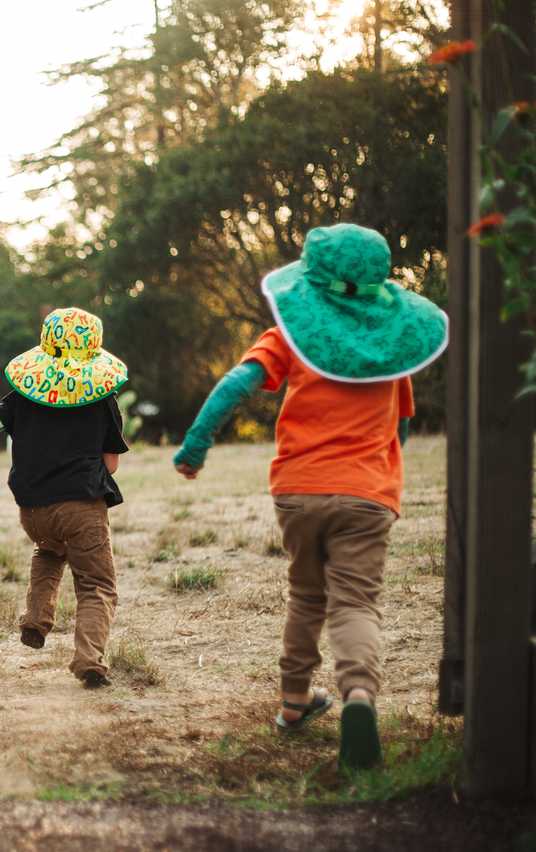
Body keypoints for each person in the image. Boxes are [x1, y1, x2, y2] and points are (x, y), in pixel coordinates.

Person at [172, 224, 448, 768]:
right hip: (369, 493)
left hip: (299, 489)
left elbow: (234, 385)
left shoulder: (294, 333)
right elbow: (403, 427)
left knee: (306, 594)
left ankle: (296, 701)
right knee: (356, 602)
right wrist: (384, 475)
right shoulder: (393, 345)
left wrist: (195, 446)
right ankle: (359, 696)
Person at [0, 307, 130, 688]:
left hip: (32, 510)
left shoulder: (22, 397)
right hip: (81, 506)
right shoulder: (103, 401)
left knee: (50, 551)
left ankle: (35, 620)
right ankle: (89, 661)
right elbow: (110, 465)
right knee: (97, 585)